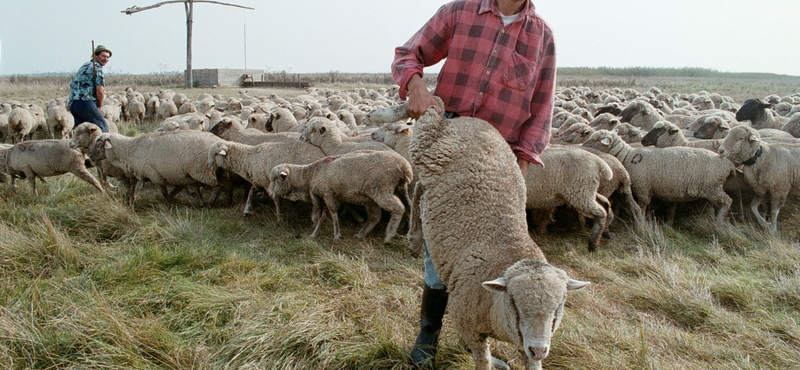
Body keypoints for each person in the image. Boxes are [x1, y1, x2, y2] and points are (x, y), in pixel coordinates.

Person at [391, 0, 557, 368]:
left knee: (501, 251)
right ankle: (429, 333)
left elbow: (542, 106)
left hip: (498, 159)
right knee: (443, 249)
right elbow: (407, 54)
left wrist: (523, 166)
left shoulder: (541, 35)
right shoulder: (459, 11)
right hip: (449, 145)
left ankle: (484, 331)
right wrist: (415, 85)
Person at [68, 44, 112, 132]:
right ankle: (103, 146)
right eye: (103, 56)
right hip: (86, 103)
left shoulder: (84, 66)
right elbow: (100, 91)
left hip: (74, 104)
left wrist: (70, 102)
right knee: (102, 129)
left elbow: (74, 84)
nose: (106, 59)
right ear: (95, 56)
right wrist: (99, 106)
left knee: (83, 132)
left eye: (107, 57)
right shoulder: (97, 68)